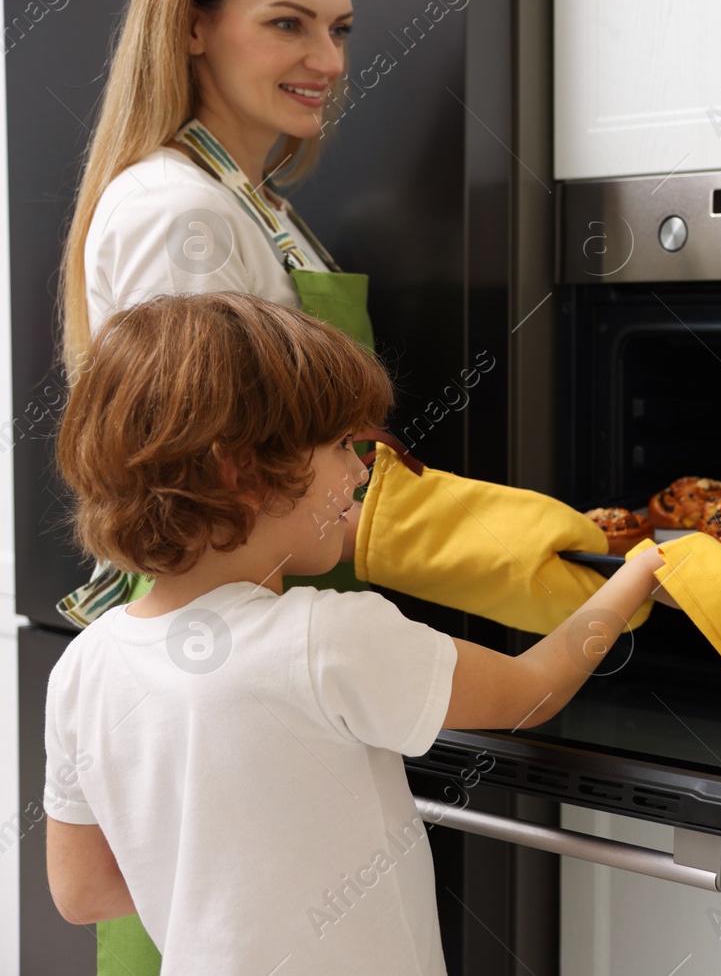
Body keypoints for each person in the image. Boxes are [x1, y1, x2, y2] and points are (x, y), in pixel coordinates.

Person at [42, 292, 671, 975]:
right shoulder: (328, 638)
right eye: (341, 445)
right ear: (242, 472)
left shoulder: (84, 666)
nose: (361, 469)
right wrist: (636, 575)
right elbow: (532, 691)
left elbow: (80, 892)